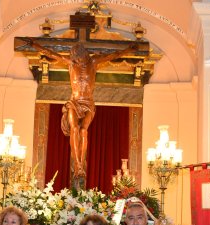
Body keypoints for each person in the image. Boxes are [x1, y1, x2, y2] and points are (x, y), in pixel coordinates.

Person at [27, 38, 137, 181]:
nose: (77, 60)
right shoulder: (71, 64)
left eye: (78, 57)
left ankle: (80, 163)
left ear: (84, 55)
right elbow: (52, 54)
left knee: (83, 130)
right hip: (74, 101)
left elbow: (112, 56)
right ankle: (78, 164)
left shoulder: (94, 63)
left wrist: (128, 50)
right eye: (75, 57)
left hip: (88, 103)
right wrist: (35, 45)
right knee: (74, 129)